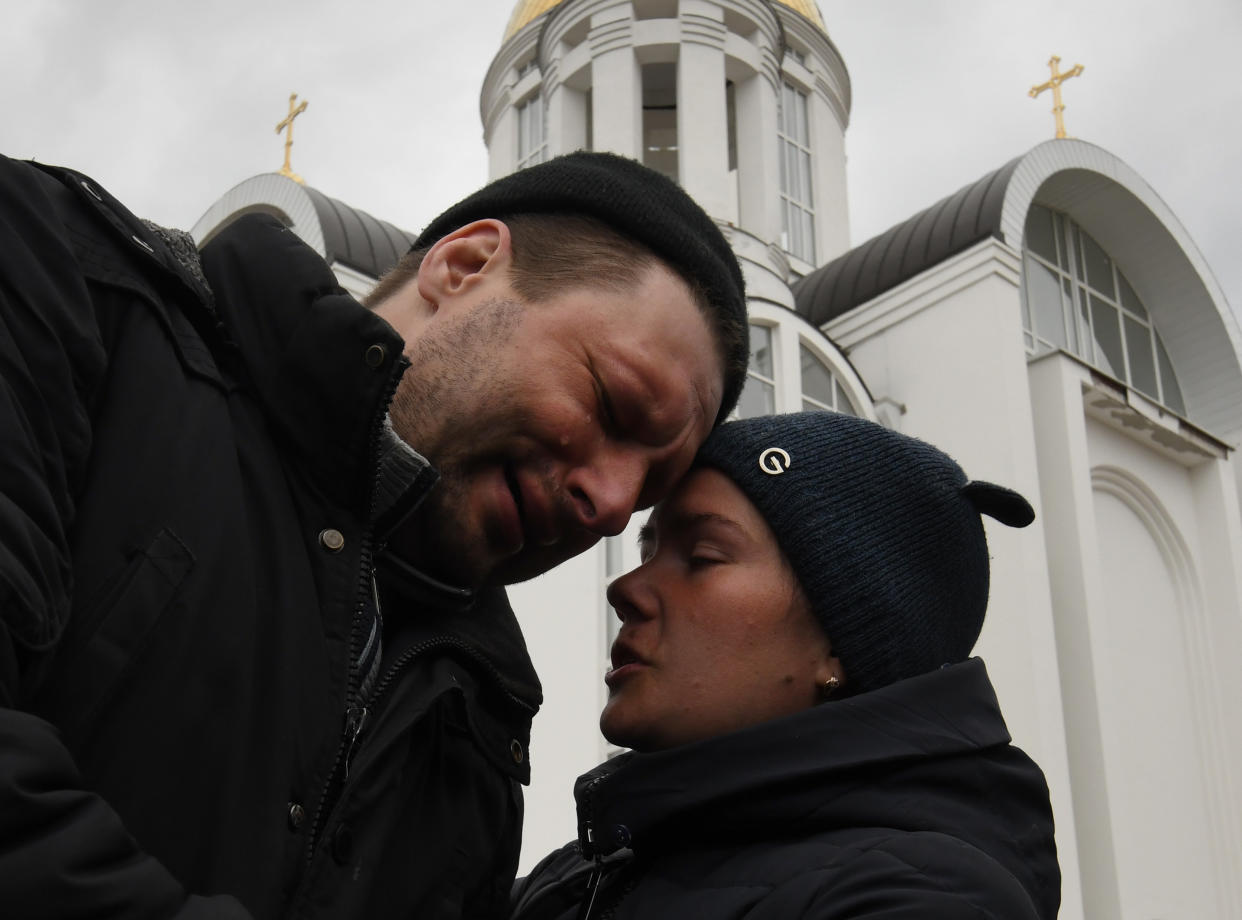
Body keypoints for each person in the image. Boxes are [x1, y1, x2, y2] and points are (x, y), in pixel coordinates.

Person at [0, 150, 748, 919]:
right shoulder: (59, 276)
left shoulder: (485, 727)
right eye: (614, 404)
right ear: (464, 264)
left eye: (650, 491)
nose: (612, 506)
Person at [510, 411, 1061, 920]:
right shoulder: (592, 867)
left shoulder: (917, 898)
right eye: (646, 552)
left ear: (841, 645)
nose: (626, 588)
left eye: (702, 556)